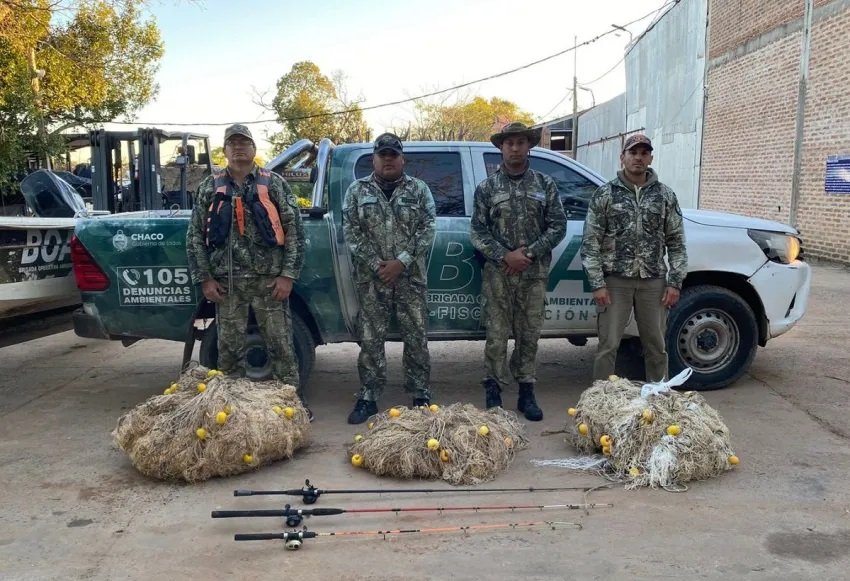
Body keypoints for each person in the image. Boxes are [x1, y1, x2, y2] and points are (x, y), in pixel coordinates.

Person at [185, 124, 309, 418]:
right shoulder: (209, 186)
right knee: (228, 351)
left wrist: (287, 275)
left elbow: (295, 231)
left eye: (244, 143)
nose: (238, 148)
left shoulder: (273, 183)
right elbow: (194, 236)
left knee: (281, 346)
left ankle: (291, 406)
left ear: (254, 149)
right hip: (227, 286)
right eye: (233, 144)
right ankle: (232, 411)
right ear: (225, 150)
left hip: (270, 283)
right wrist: (205, 278)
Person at [470, 122, 567, 421]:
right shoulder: (487, 188)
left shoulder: (544, 184)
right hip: (499, 274)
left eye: (521, 142)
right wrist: (505, 256)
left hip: (533, 272)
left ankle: (526, 390)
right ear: (501, 147)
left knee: (529, 334)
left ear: (529, 146)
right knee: (496, 334)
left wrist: (529, 253)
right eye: (509, 143)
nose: (515, 148)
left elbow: (558, 225)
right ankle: (494, 388)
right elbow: (477, 231)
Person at [343, 133, 437, 425]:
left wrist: (401, 262)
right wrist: (378, 264)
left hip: (410, 279)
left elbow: (428, 228)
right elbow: (351, 231)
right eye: (382, 155)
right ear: (373, 158)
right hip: (372, 280)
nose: (388, 160)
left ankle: (420, 394)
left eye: (393, 155)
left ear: (402, 158)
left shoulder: (419, 190)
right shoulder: (357, 191)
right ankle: (368, 396)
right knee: (371, 340)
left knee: (417, 339)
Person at [580, 133, 688, 383]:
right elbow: (590, 241)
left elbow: (676, 241)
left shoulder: (664, 195)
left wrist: (674, 282)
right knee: (608, 346)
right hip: (615, 282)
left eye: (643, 153)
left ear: (650, 157)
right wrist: (597, 283)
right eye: (633, 152)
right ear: (622, 157)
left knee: (656, 347)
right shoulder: (605, 194)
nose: (638, 157)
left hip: (653, 282)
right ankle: (600, 400)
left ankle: (658, 399)